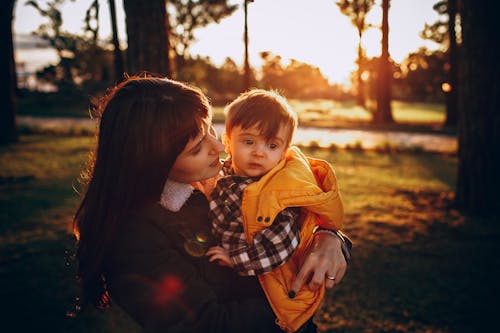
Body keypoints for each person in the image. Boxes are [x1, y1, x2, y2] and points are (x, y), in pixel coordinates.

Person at [73, 75, 350, 333]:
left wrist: (328, 237)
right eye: (196, 148)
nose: (219, 147)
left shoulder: (220, 178)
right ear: (154, 163)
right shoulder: (132, 240)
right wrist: (293, 304)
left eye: (210, 131)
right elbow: (209, 325)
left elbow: (294, 204)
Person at [206, 89, 345, 332]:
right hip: (240, 286)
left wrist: (235, 259)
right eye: (249, 141)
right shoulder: (227, 176)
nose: (259, 152)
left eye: (272, 145)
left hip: (273, 290)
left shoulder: (277, 191)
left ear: (284, 151)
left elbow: (281, 243)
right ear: (227, 141)